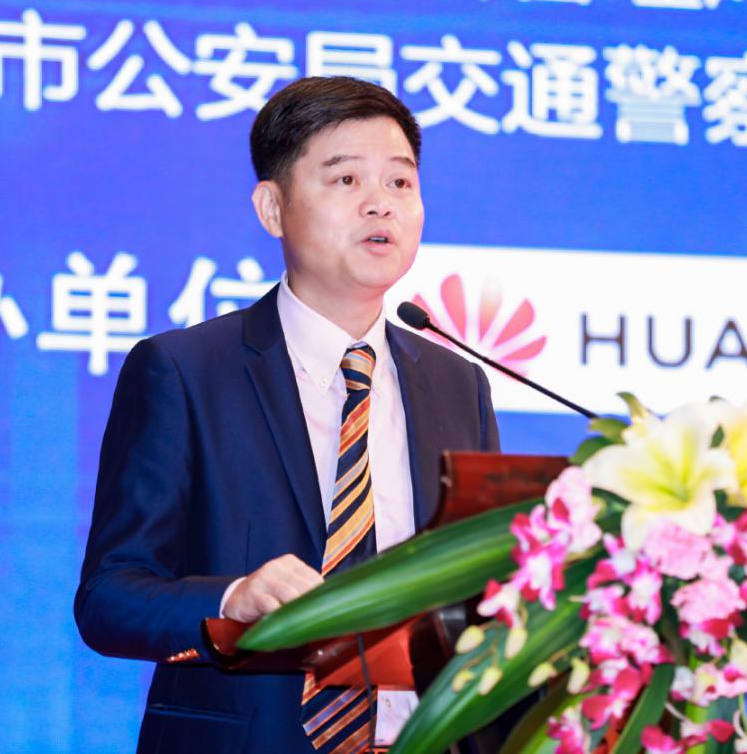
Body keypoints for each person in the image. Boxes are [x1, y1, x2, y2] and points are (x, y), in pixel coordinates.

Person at [75, 76, 500, 754]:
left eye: (400, 182)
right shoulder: (184, 371)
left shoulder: (459, 384)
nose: (380, 203)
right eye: (345, 180)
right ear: (273, 208)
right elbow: (110, 597)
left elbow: (481, 594)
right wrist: (232, 598)